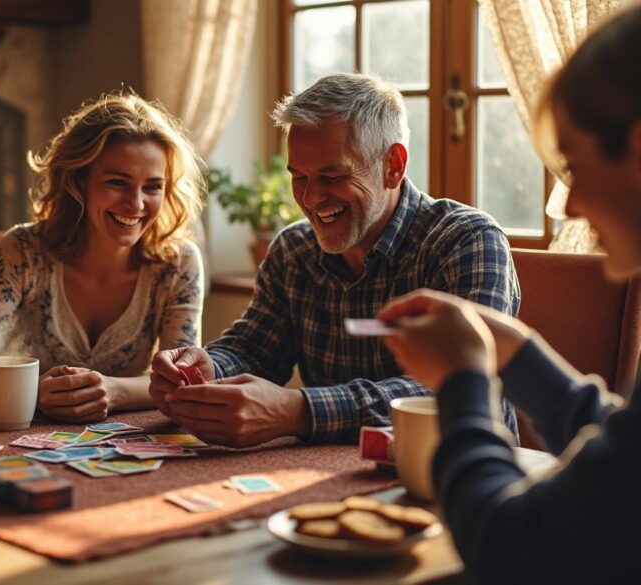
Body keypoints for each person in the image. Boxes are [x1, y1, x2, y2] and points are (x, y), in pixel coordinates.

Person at [376, 6, 641, 583]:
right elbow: (627, 458)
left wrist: (463, 380)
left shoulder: (464, 233)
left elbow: (510, 548)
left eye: (574, 166)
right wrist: (514, 350)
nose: (568, 205)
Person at [150, 73, 520, 448]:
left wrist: (298, 411)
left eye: (332, 175)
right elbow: (254, 348)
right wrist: (205, 366)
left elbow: (456, 386)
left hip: (466, 476)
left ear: (393, 165)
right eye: (299, 177)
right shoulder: (293, 250)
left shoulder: (466, 241)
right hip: (329, 472)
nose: (310, 198)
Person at [0, 92, 205, 424]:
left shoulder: (178, 263)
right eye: (117, 183)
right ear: (77, 181)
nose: (136, 204)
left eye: (152, 187)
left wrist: (112, 391)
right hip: (16, 436)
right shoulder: (22, 249)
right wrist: (34, 391)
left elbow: (180, 380)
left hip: (124, 441)